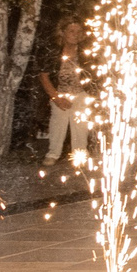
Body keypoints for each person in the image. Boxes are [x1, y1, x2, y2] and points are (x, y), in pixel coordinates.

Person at [36, 19, 90, 166]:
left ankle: (80, 156)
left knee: (81, 126)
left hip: (81, 93)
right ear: (63, 32)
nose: (76, 35)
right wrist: (56, 97)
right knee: (58, 124)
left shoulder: (86, 51)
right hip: (59, 92)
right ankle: (53, 154)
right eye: (72, 31)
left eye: (79, 31)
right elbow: (44, 76)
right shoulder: (53, 51)